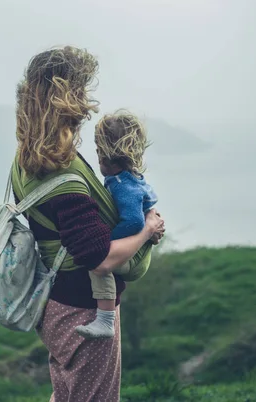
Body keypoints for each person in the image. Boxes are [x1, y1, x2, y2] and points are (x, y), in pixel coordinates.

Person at [10, 46, 165, 402]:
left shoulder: (27, 156)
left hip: (54, 305)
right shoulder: (66, 177)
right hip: (85, 311)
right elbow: (101, 260)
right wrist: (147, 230)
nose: (85, 100)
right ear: (65, 100)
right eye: (80, 89)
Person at [75, 110, 159, 340]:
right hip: (140, 249)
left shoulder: (123, 186)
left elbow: (133, 221)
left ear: (105, 157)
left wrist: (109, 241)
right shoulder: (130, 177)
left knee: (98, 263)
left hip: (133, 258)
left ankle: (104, 320)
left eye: (98, 151)